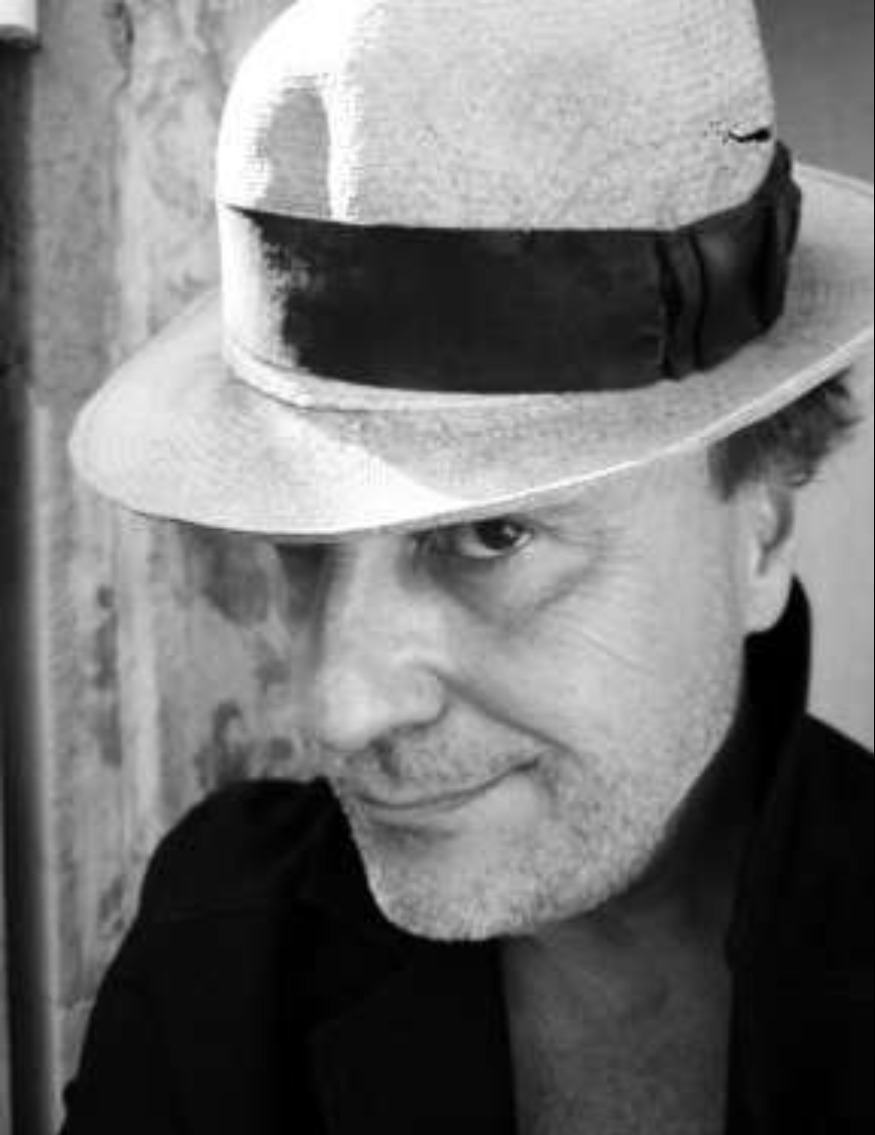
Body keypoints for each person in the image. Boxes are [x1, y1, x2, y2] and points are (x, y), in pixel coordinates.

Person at [62, 0, 873, 1132]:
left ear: (762, 531)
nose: (337, 707)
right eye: (305, 547)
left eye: (492, 536)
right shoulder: (226, 950)